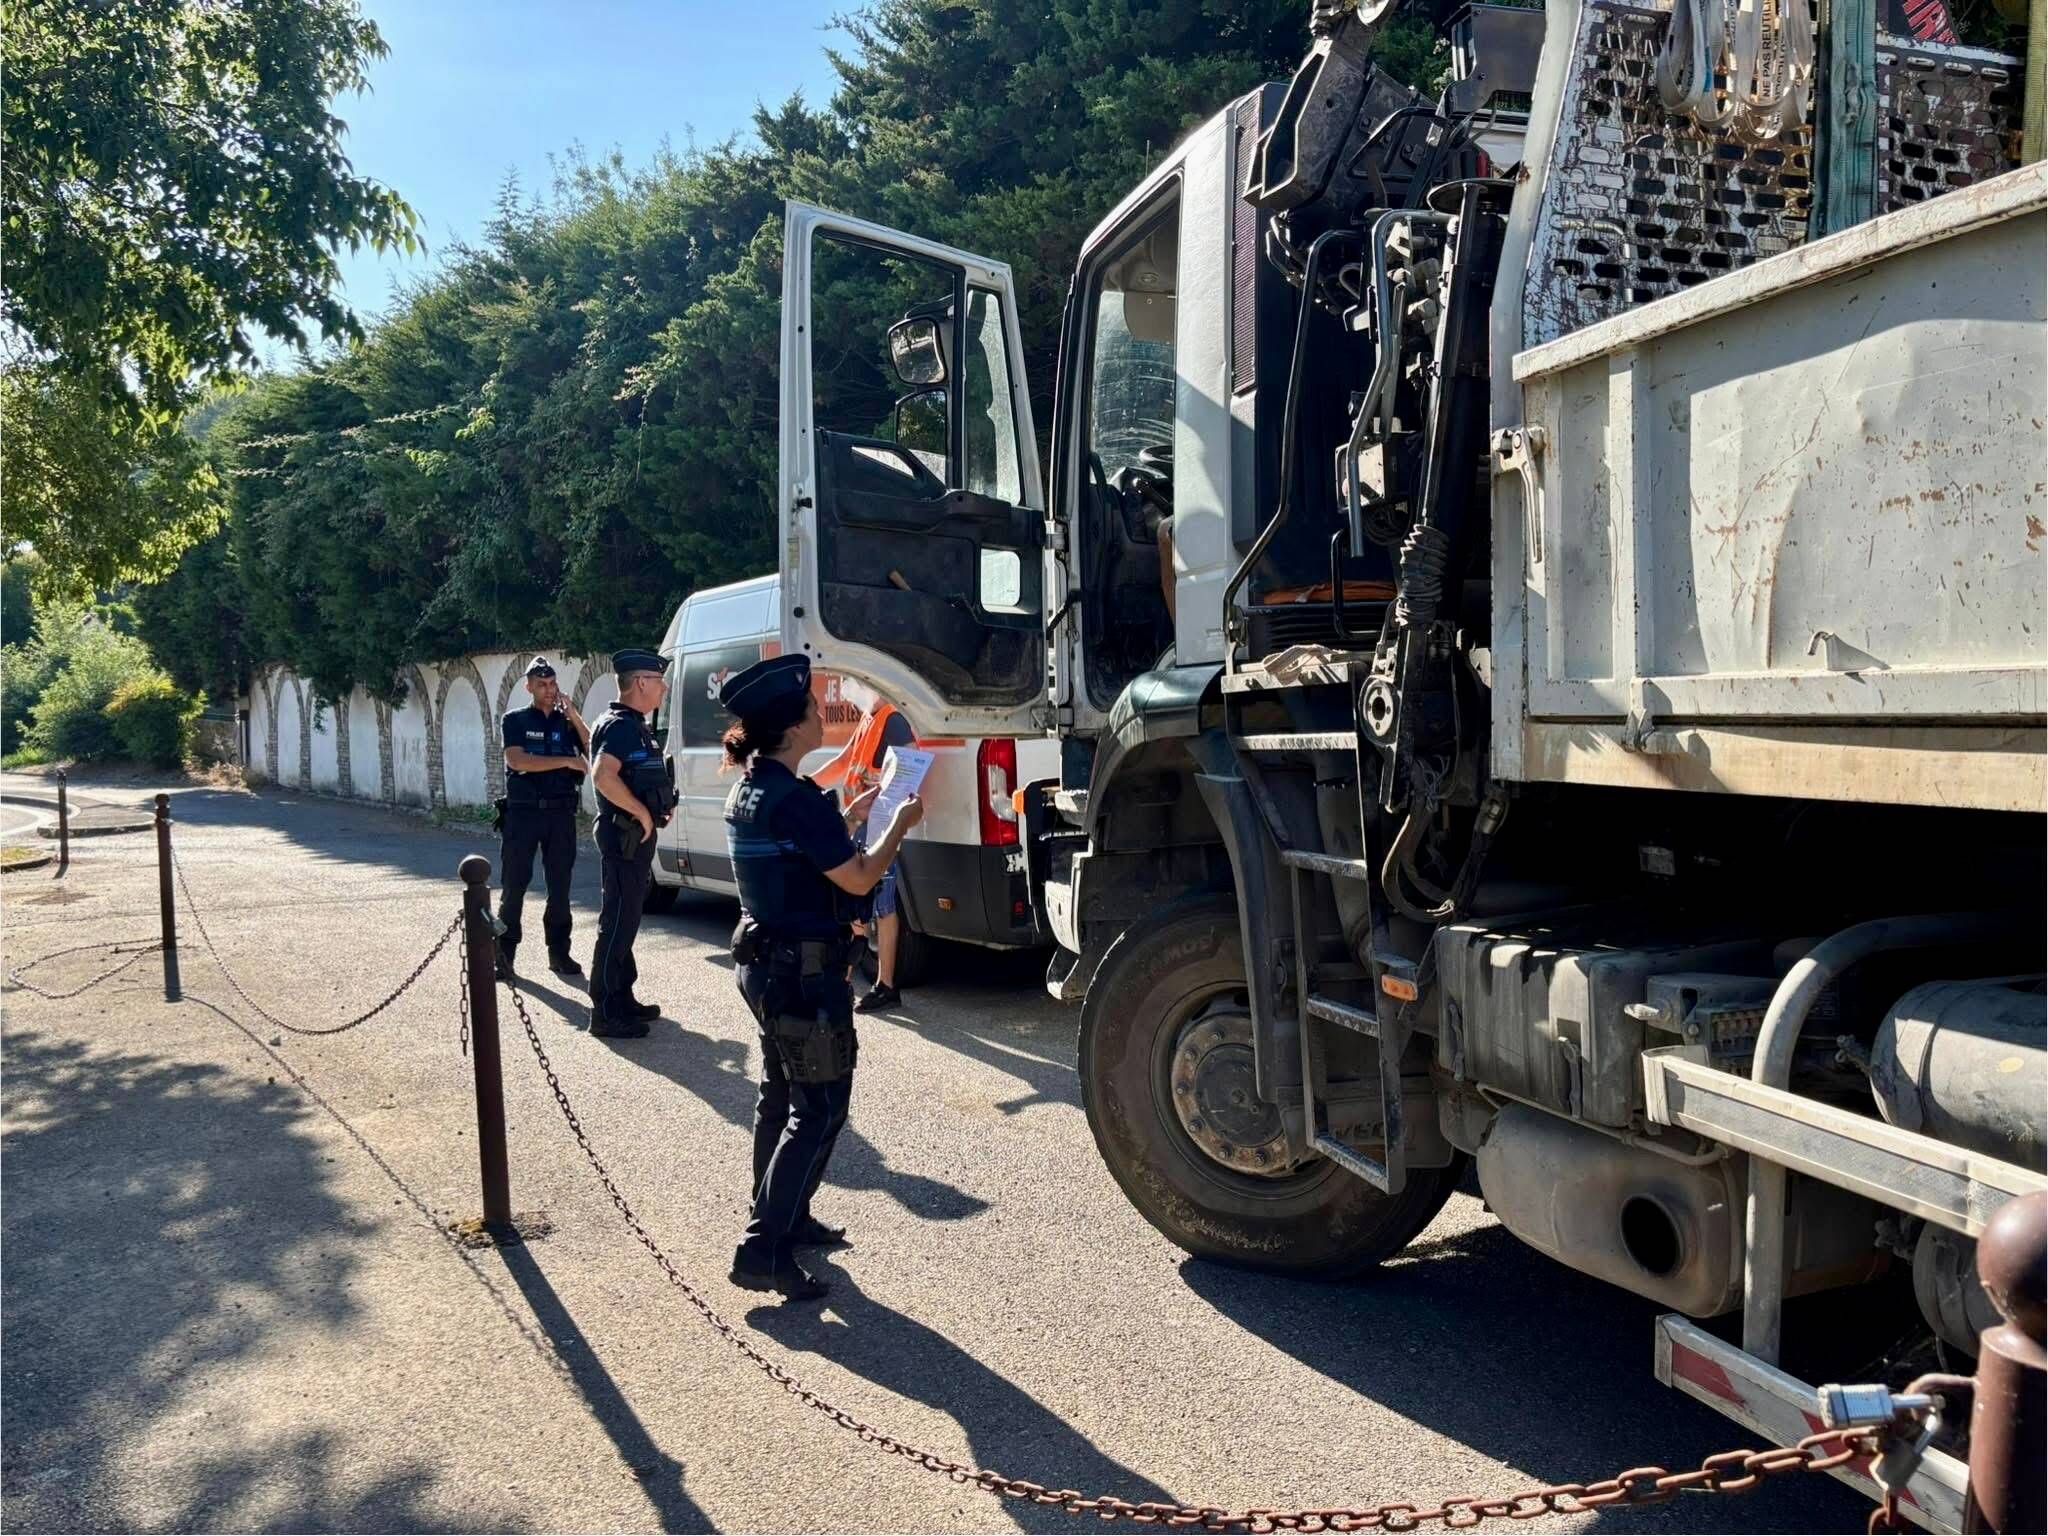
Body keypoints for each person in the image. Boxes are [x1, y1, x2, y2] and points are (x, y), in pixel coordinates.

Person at [718, 653, 923, 1299]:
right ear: (792, 726)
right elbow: (859, 878)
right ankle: (762, 1249)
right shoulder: (795, 800)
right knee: (820, 1107)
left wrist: (851, 819)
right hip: (805, 975)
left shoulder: (754, 787)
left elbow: (801, 864)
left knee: (782, 1099)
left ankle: (788, 1218)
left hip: (770, 969)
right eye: (810, 708)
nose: (820, 714)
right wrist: (894, 826)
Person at [587, 648, 675, 1039]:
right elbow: (603, 775)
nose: (664, 686)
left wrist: (658, 808)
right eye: (658, 680)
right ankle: (605, 1011)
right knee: (617, 923)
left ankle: (622, 996)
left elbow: (638, 776)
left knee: (628, 919)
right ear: (641, 682)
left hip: (634, 837)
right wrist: (641, 813)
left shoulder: (634, 725)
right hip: (624, 837)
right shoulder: (620, 725)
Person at [813, 694, 916, 1012]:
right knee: (855, 904)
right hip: (862, 824)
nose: (847, 690)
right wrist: (803, 785)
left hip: (878, 825)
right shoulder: (870, 719)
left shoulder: (892, 719)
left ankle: (886, 985)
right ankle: (845, 980)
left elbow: (909, 766)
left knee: (882, 907)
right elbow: (844, 762)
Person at [495, 656, 590, 982]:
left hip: (561, 814)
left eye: (552, 684)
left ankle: (559, 953)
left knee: (561, 887)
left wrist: (574, 715)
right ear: (529, 687)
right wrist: (566, 760)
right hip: (523, 814)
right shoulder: (515, 720)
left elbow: (592, 749)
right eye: (542, 685)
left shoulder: (566, 723)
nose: (549, 690)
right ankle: (504, 956)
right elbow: (518, 760)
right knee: (514, 885)